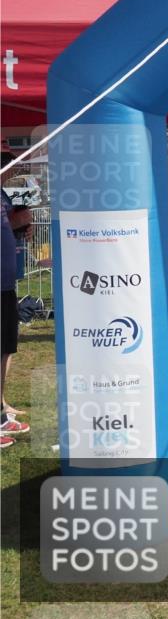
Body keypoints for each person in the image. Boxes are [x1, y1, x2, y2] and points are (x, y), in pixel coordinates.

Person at [1, 150, 30, 447]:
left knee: (6, 347)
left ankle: (1, 409)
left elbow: (16, 222)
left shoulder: (5, 194)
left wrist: (22, 223)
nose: (12, 166)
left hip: (5, 283)